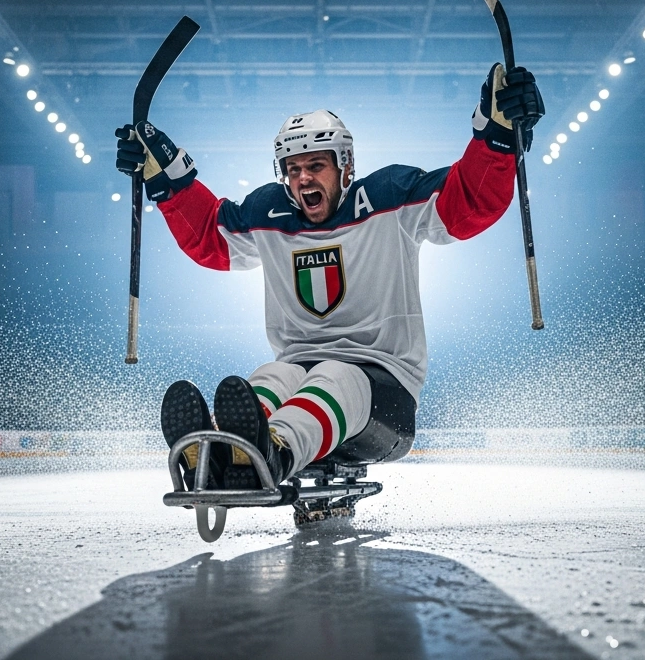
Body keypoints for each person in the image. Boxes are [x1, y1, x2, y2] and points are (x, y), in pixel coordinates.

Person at [116, 64, 544, 487]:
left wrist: (498, 138)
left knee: (336, 377)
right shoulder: (269, 212)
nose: (302, 178)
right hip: (300, 369)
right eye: (293, 169)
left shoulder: (389, 198)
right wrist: (168, 179)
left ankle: (271, 451)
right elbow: (210, 237)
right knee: (273, 375)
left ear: (345, 165)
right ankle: (222, 453)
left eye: (316, 165)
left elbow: (469, 202)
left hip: (385, 391)